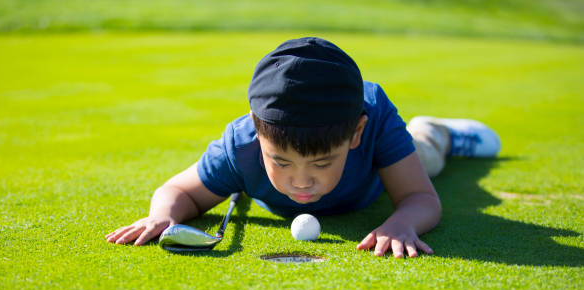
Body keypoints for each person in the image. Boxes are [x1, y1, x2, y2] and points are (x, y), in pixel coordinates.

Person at [105, 37, 500, 258]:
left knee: (425, 156)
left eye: (322, 162)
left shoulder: (373, 123)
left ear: (355, 134)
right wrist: (162, 217)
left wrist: (403, 222)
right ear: (259, 138)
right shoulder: (240, 147)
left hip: (379, 171)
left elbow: (420, 198)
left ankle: (437, 131)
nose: (302, 182)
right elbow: (177, 192)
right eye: (281, 161)